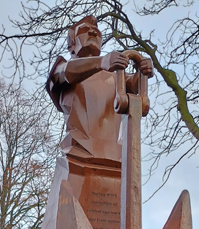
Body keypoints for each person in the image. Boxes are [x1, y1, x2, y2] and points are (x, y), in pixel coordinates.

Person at [46, 15, 153, 164]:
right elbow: (65, 73)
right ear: (71, 46)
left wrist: (143, 71)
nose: (93, 33)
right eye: (84, 30)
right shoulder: (62, 69)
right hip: (78, 157)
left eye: (97, 31)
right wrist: (102, 61)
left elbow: (133, 83)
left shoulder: (114, 76)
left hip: (115, 159)